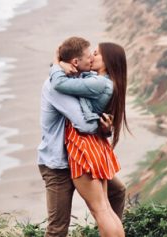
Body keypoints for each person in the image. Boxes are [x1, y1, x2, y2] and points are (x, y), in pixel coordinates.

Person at [38, 36, 126, 237]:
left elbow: (86, 121)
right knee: (58, 228)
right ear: (75, 62)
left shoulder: (84, 81)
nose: (92, 58)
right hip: (59, 163)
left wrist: (58, 63)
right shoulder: (59, 84)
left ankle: (109, 231)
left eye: (95, 54)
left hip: (82, 151)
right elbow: (84, 122)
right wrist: (57, 63)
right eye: (90, 55)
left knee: (107, 203)